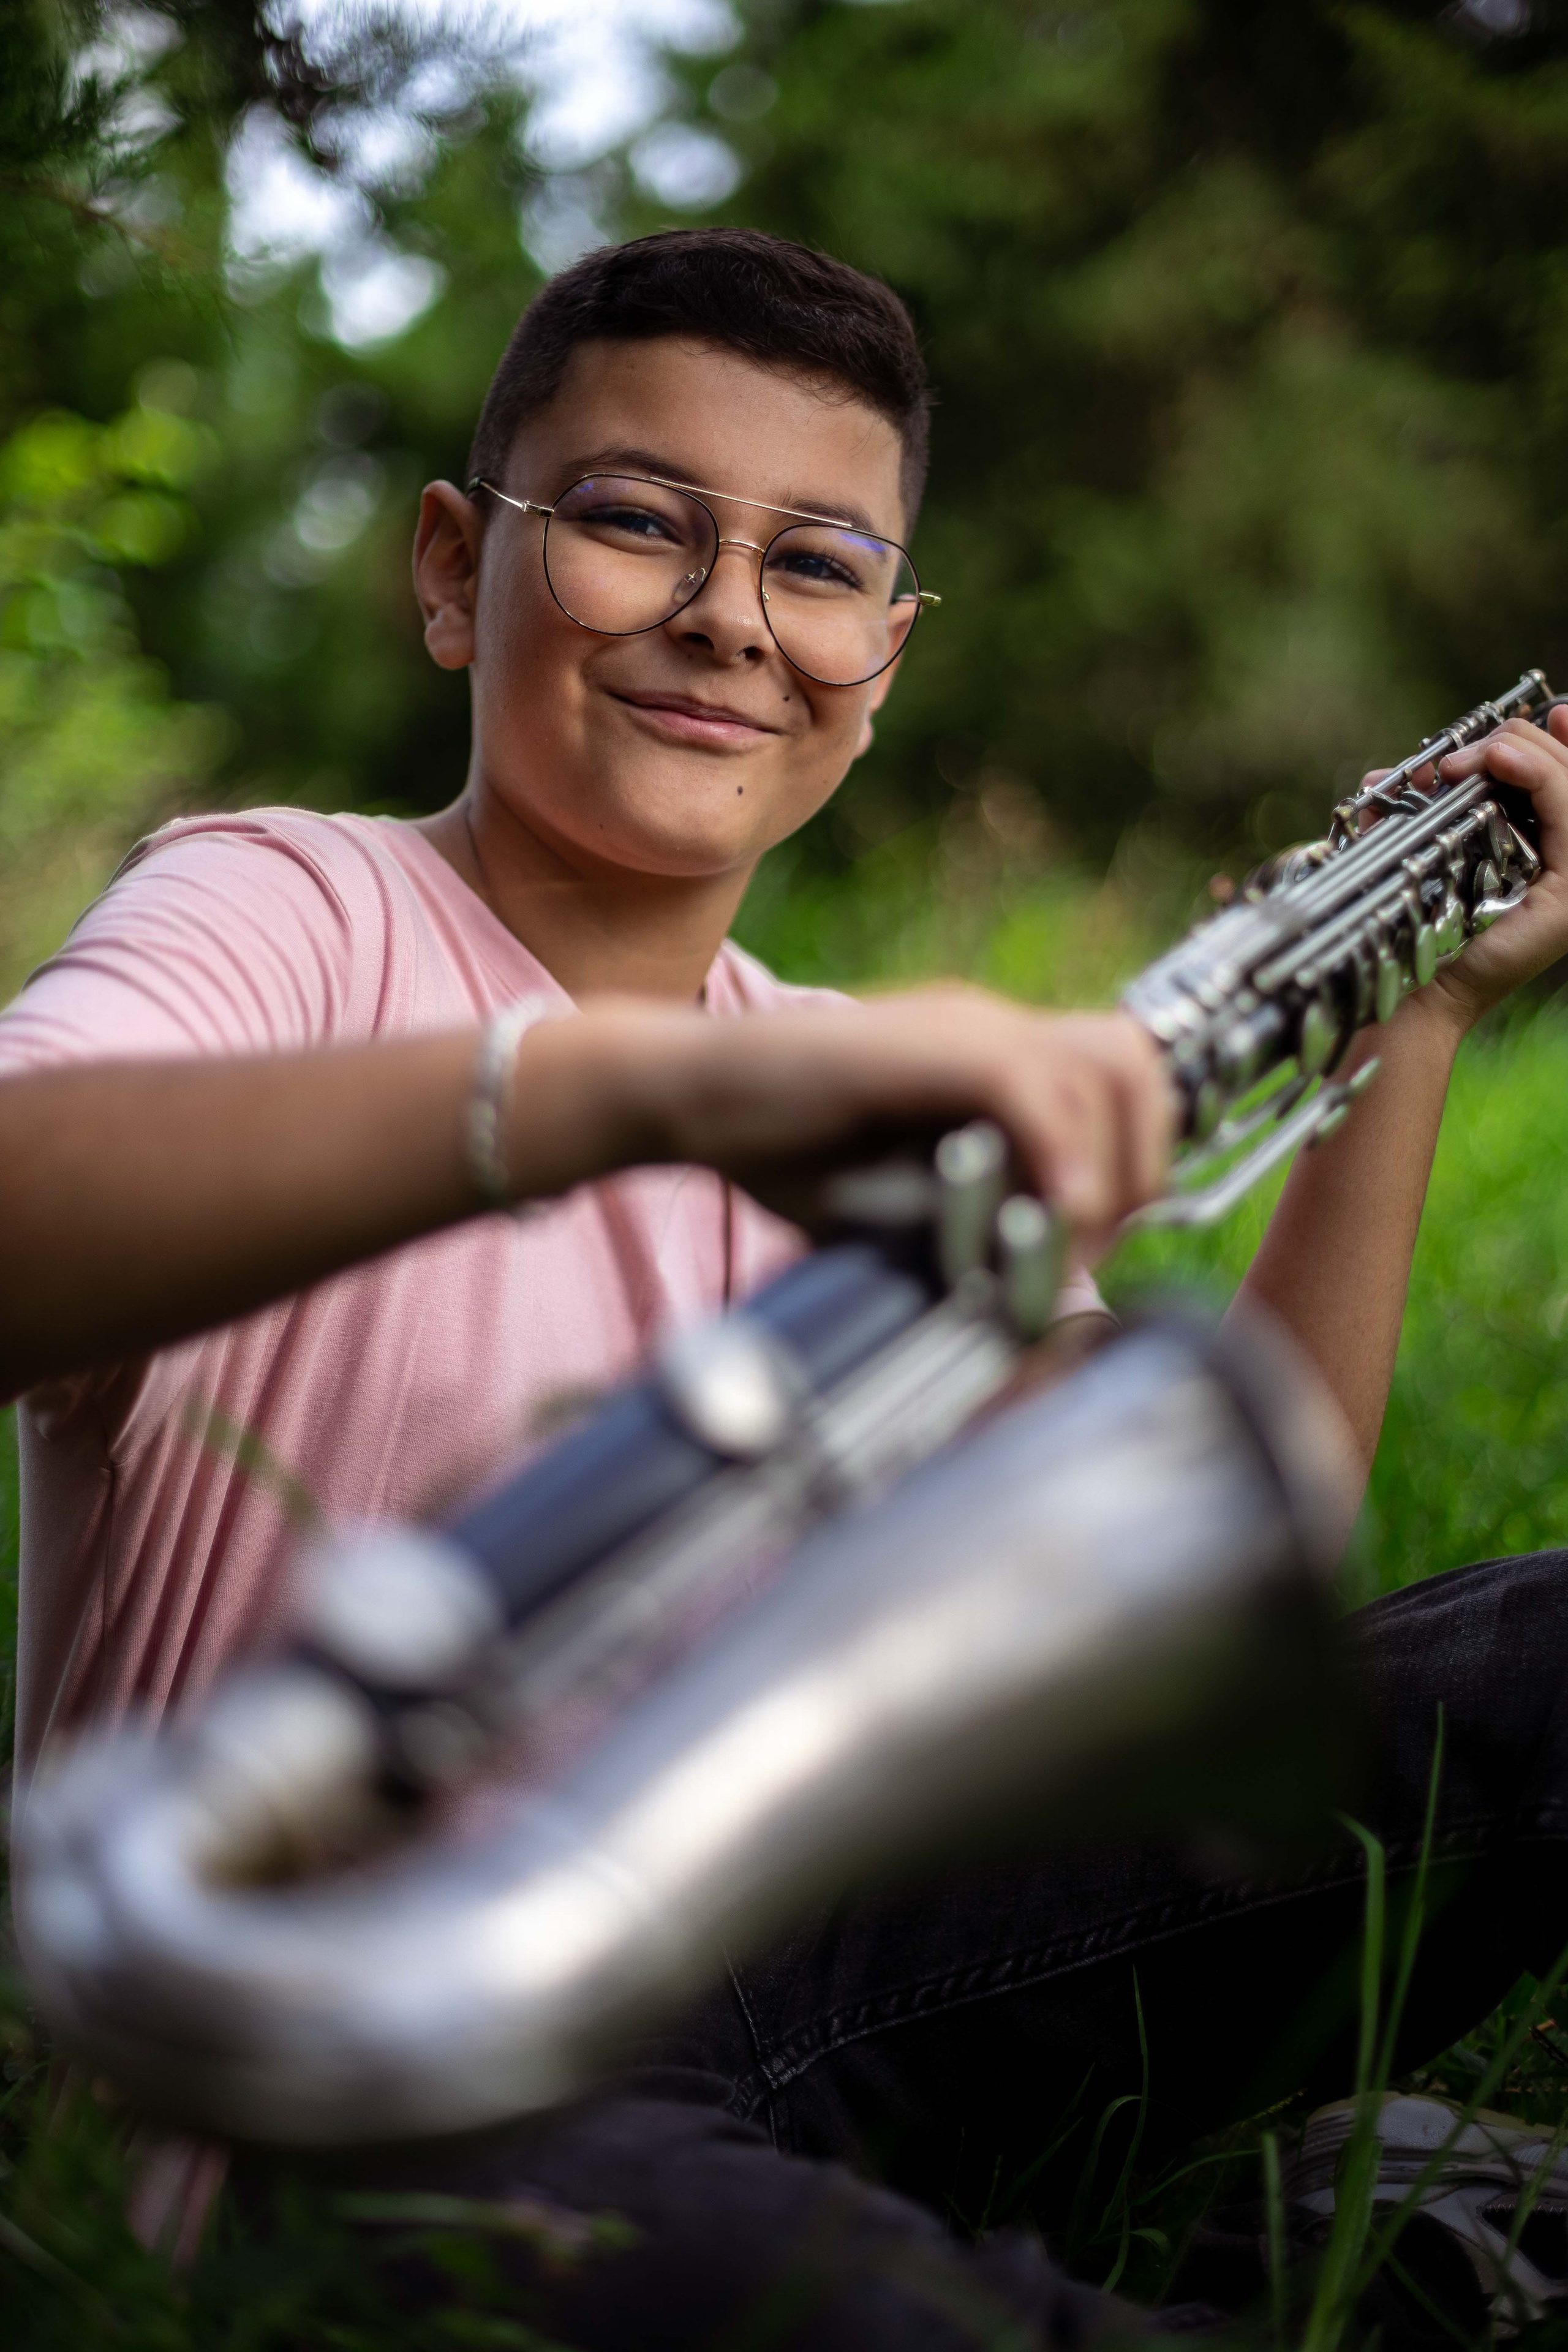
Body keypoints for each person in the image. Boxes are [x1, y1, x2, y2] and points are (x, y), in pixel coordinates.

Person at [4, 228, 1568, 2342]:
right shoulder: (283, 909)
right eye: (639, 526)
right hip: (335, 2108)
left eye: (817, 566)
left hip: (771, 2003)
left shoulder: (850, 1091)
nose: (731, 620)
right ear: (459, 571)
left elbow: (1208, 1584)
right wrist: (666, 1088)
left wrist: (1406, 1030)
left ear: (886, 656)